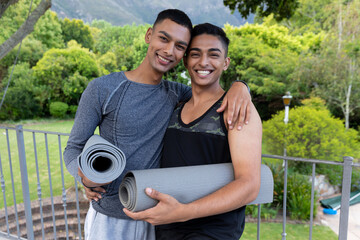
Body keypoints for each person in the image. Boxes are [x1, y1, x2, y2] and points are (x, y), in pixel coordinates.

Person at [64, 9, 252, 240]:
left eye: (180, 46)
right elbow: (73, 148)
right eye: (164, 38)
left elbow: (211, 92)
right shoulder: (102, 89)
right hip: (112, 217)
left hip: (159, 218)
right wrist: (83, 176)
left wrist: (240, 87)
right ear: (149, 35)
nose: (168, 51)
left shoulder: (178, 94)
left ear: (183, 55)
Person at [123, 23, 262, 240]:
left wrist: (184, 213)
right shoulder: (176, 104)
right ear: (186, 60)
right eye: (195, 54)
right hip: (165, 228)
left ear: (225, 63)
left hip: (211, 232)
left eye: (213, 55)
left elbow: (249, 186)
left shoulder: (237, 109)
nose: (203, 62)